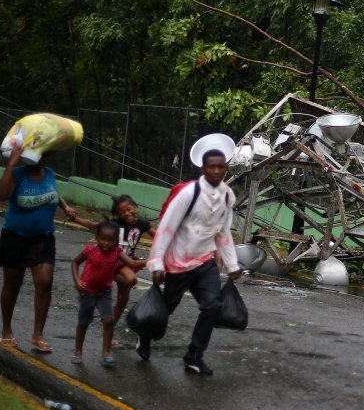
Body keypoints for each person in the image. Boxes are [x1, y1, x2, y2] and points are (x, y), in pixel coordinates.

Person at [140, 148, 241, 375]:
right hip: (179, 262)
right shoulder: (189, 194)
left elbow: (224, 232)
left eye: (221, 167)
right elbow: (167, 227)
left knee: (212, 307)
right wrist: (156, 263)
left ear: (225, 169)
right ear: (203, 169)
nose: (216, 171)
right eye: (211, 167)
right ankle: (145, 336)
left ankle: (194, 355)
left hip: (205, 261)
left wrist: (232, 264)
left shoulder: (227, 195)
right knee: (166, 308)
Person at [0, 144, 76, 352]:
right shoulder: (17, 174)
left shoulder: (48, 173)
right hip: (15, 237)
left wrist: (65, 206)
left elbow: (53, 192)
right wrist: (11, 163)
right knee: (12, 285)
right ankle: (6, 330)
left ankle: (37, 334)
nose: (46, 158)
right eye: (43, 154)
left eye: (48, 154)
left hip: (44, 237)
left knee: (45, 283)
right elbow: (1, 195)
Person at [68, 195, 156, 340]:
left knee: (123, 299)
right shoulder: (115, 225)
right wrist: (76, 219)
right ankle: (103, 295)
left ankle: (110, 329)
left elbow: (158, 236)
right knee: (130, 279)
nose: (126, 213)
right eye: (122, 212)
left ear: (135, 206)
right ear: (117, 214)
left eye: (129, 209)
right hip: (112, 261)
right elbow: (93, 225)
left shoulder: (142, 224)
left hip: (127, 262)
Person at [70, 221, 145, 365]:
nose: (106, 243)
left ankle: (105, 353)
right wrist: (77, 280)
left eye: (111, 240)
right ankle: (78, 351)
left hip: (104, 292)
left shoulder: (117, 252)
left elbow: (133, 264)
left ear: (116, 241)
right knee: (83, 322)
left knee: (109, 320)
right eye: (103, 239)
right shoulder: (90, 250)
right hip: (87, 291)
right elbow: (75, 262)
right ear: (97, 238)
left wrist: (150, 261)